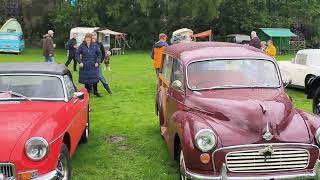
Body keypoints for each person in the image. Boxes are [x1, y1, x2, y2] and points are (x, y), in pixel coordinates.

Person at [76, 33, 102, 97]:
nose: (88, 41)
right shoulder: (82, 46)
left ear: (91, 39)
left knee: (95, 79)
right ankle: (88, 93)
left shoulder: (95, 45)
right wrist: (80, 62)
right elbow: (77, 54)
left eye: (89, 40)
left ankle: (95, 91)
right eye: (86, 40)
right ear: (85, 39)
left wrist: (97, 62)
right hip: (85, 66)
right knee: (86, 80)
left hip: (93, 65)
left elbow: (99, 54)